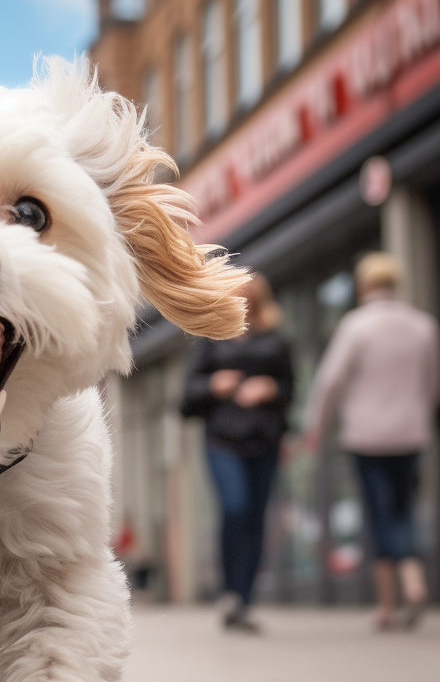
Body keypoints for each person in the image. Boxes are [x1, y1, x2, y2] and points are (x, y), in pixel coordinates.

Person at [304, 252, 440, 630]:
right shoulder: (423, 326)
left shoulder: (355, 326)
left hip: (366, 435)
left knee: (378, 514)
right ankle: (412, 580)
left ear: (365, 285)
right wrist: (419, 413)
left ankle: (388, 606)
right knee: (404, 509)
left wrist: (315, 426)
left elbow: (330, 381)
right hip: (411, 434)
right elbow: (433, 385)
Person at [181, 274, 294, 633]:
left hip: (264, 441)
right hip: (222, 441)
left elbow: (293, 390)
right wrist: (214, 385)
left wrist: (271, 388)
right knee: (235, 507)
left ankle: (243, 601)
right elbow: (185, 399)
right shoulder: (211, 339)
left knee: (256, 518)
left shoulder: (275, 342)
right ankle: (229, 590)